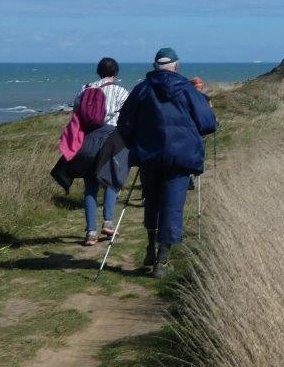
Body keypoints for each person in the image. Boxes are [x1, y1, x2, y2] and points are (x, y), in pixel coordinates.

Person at [117, 47, 217, 278]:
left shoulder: (141, 90)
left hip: (149, 157)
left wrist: (137, 144)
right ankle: (162, 261)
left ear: (154, 67)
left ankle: (151, 249)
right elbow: (208, 123)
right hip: (180, 157)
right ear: (176, 66)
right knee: (172, 206)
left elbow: (124, 123)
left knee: (151, 201)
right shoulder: (188, 91)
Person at [72, 57, 129, 246]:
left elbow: (76, 110)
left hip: (88, 140)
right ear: (116, 72)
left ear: (98, 71)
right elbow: (127, 116)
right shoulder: (121, 91)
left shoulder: (85, 88)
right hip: (112, 139)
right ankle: (109, 222)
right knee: (112, 179)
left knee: (90, 187)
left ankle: (90, 233)